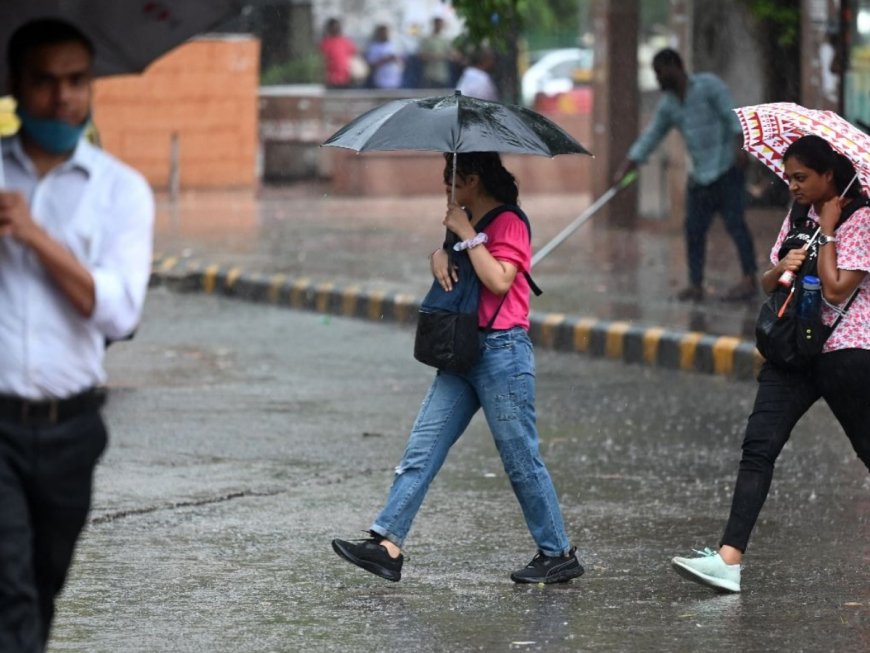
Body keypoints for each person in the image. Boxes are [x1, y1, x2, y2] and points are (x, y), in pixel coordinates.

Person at [332, 152, 583, 585]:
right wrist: (439, 252)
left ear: (471, 179)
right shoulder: (463, 220)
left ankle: (557, 553)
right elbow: (458, 267)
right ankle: (387, 544)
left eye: (451, 179)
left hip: (503, 352)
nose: (445, 187)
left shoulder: (510, 222)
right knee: (422, 448)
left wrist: (467, 234)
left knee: (520, 459)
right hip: (462, 351)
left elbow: (500, 279)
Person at [0, 19, 154, 651]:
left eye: (76, 81)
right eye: (44, 82)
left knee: (40, 587)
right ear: (14, 86)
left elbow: (119, 315)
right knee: (9, 593)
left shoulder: (122, 191)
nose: (62, 98)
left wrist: (33, 235)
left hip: (73, 430)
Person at [671, 134, 870, 593]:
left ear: (829, 175)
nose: (793, 186)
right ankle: (728, 560)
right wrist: (786, 262)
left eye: (802, 178)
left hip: (845, 351)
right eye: (789, 177)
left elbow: (839, 288)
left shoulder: (860, 217)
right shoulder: (798, 215)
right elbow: (772, 282)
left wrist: (831, 229)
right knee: (758, 447)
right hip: (792, 351)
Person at [614, 48, 758, 302]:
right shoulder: (669, 104)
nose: (657, 79)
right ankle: (696, 284)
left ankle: (749, 278)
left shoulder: (708, 86)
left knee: (736, 225)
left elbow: (732, 116)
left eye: (659, 73)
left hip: (726, 169)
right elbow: (652, 135)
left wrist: (740, 148)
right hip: (701, 174)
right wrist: (630, 163)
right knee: (693, 229)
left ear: (675, 67)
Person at [418, 16, 458, 88]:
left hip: (442, 76)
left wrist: (446, 56)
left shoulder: (446, 40)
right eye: (437, 24)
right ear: (434, 25)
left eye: (440, 24)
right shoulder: (427, 39)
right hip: (429, 75)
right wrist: (436, 56)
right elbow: (422, 56)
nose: (439, 26)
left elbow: (453, 55)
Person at [319, 17, 357, 89]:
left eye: (337, 27)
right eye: (333, 27)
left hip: (346, 79)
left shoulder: (346, 42)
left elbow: (354, 57)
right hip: (330, 80)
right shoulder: (325, 43)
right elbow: (321, 60)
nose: (335, 29)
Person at [364, 24, 403, 90]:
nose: (385, 34)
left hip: (395, 80)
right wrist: (385, 59)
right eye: (383, 33)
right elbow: (371, 64)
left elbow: (401, 61)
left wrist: (396, 59)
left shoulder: (394, 45)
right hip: (381, 80)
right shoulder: (374, 47)